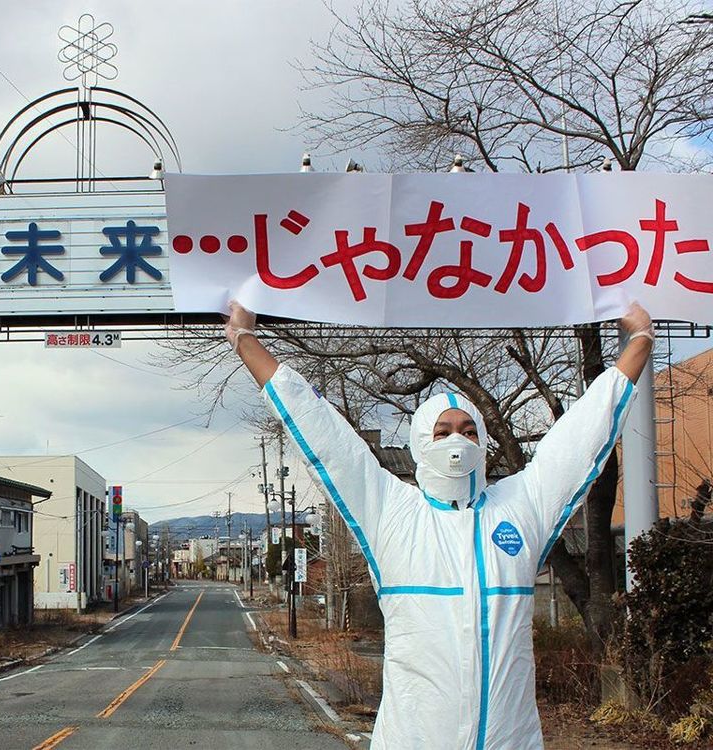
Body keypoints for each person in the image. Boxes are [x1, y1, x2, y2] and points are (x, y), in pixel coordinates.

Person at [226, 301, 654, 750]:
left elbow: (582, 437)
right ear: (418, 442)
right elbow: (325, 436)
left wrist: (640, 340)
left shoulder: (522, 504)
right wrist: (245, 340)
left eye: (470, 430)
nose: (458, 440)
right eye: (443, 430)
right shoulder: (391, 510)